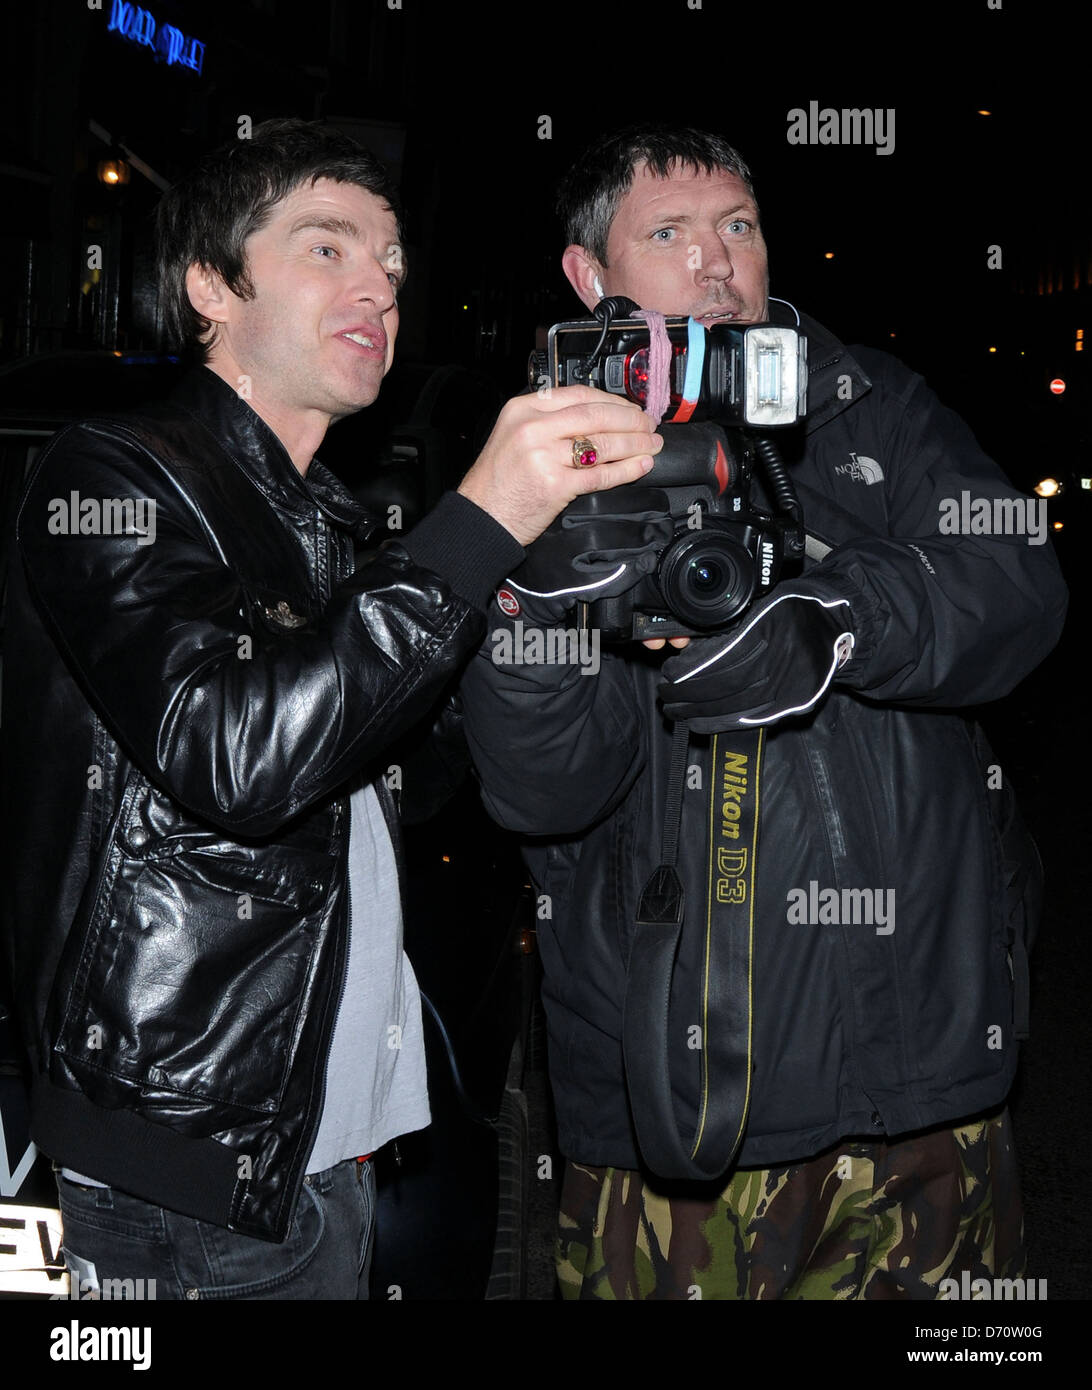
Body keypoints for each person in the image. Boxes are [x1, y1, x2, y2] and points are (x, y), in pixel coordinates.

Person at [0, 118, 660, 1300]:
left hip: (330, 1161)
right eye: (329, 247)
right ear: (211, 284)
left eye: (395, 266)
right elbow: (239, 755)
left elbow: (416, 779)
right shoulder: (111, 477)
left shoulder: (335, 528)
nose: (379, 287)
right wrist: (474, 526)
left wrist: (549, 610)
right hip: (171, 1194)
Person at [459, 125, 1068, 1300]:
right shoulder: (547, 458)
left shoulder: (868, 399)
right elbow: (544, 791)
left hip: (923, 1096)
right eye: (671, 233)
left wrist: (837, 617)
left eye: (738, 224)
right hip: (674, 1129)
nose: (718, 261)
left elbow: (1023, 585)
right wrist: (535, 602)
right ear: (590, 277)